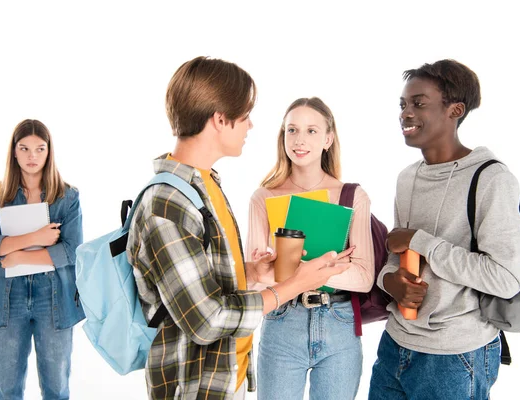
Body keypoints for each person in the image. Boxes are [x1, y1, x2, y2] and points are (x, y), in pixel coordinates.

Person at [125, 57, 352, 400]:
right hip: (195, 389)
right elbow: (207, 320)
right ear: (220, 120)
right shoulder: (167, 204)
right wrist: (294, 285)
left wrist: (248, 270)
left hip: (225, 381)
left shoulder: (205, 185)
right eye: (245, 115)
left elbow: (201, 280)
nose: (250, 126)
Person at [368, 60, 520, 400]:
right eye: (403, 105)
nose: (405, 113)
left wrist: (420, 240)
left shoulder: (491, 179)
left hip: (456, 356)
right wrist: (389, 281)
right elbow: (396, 254)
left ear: (455, 110)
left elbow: (505, 278)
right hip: (394, 344)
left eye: (418, 103)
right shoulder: (407, 177)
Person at [246, 97, 375, 400]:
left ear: (328, 139)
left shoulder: (352, 196)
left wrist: (288, 271)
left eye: (311, 131)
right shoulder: (263, 197)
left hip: (339, 322)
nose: (299, 140)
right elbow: (252, 280)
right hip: (281, 321)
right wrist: (327, 268)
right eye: (292, 130)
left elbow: (364, 277)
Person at [0, 119, 84, 399]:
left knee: (56, 389)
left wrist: (17, 254)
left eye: (39, 149)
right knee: (7, 390)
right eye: (24, 148)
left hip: (54, 300)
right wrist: (35, 238)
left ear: (49, 152)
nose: (32, 156)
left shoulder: (68, 197)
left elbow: (71, 252)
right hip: (6, 301)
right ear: (14, 152)